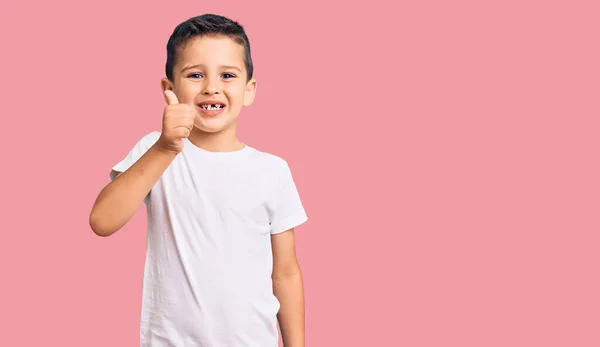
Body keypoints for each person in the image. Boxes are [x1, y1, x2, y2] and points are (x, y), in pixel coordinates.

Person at [89, 13, 308, 347]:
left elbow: (286, 272)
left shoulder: (272, 171)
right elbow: (102, 221)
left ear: (249, 90)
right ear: (170, 88)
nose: (211, 87)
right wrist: (165, 148)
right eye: (195, 74)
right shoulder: (155, 150)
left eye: (227, 75)